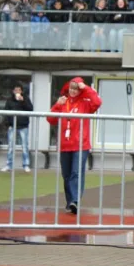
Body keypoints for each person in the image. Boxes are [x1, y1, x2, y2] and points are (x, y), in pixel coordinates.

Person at [47, 78, 102, 214]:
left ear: (80, 90)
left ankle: (75, 201)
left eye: (76, 89)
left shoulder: (85, 103)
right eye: (71, 88)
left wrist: (86, 88)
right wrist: (56, 105)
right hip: (65, 144)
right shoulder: (63, 103)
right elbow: (51, 119)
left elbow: (97, 102)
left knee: (76, 173)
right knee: (66, 175)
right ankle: (70, 202)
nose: (73, 91)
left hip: (81, 145)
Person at [1, 83, 33, 172]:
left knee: (25, 146)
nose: (17, 91)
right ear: (13, 91)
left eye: (19, 90)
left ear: (21, 91)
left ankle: (26, 165)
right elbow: (5, 112)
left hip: (23, 126)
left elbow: (31, 109)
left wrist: (23, 101)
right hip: (12, 126)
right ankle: (9, 165)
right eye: (15, 90)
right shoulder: (9, 100)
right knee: (11, 146)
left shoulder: (26, 99)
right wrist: (8, 123)